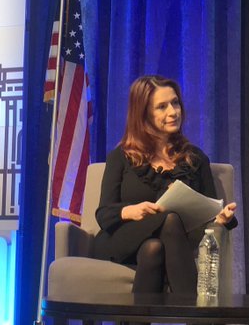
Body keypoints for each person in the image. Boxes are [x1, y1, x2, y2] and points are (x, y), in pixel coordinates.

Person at [93, 75, 237, 293]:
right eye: (162, 107)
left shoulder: (195, 158)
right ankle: (195, 310)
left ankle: (142, 313)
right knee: (169, 219)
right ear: (143, 113)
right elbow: (104, 214)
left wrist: (221, 218)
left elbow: (209, 209)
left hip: (174, 242)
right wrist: (131, 211)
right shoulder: (121, 157)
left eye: (175, 103)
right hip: (122, 239)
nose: (173, 112)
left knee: (154, 248)